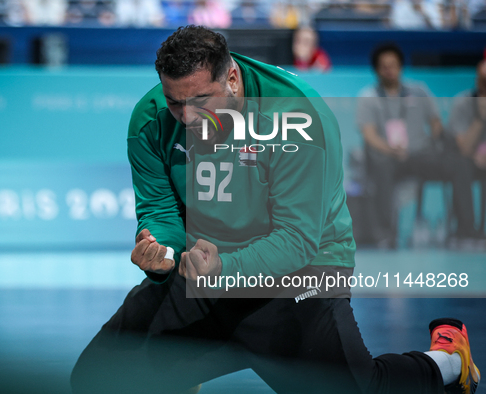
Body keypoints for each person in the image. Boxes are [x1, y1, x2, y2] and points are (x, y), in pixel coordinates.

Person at [71, 26, 480, 394]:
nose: (188, 117)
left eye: (200, 100)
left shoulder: (297, 116)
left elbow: (297, 240)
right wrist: (160, 253)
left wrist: (224, 269)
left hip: (298, 272)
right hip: (204, 270)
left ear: (231, 79)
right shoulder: (152, 120)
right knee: (97, 379)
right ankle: (183, 368)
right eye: (176, 103)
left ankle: (448, 360)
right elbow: (161, 210)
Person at [357, 43, 478, 249]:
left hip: (421, 155)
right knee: (381, 168)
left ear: (401, 66)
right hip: (390, 158)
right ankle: (386, 234)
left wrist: (439, 141)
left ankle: (466, 232)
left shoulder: (419, 91)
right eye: (384, 66)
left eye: (393, 65)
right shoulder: (368, 97)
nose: (389, 70)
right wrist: (390, 150)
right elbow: (369, 135)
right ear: (376, 70)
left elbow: (436, 125)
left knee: (459, 164)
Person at [446, 60, 486, 237]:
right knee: (459, 165)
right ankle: (466, 229)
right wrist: (480, 117)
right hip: (469, 158)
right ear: (477, 81)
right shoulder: (462, 102)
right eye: (483, 80)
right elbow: (463, 146)